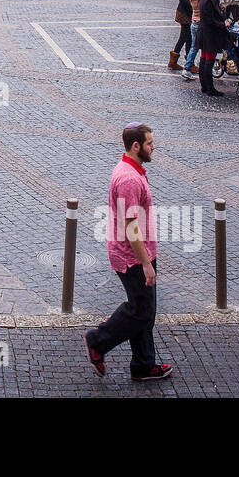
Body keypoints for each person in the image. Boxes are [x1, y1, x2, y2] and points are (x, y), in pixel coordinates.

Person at [85, 123, 173, 382]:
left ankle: (144, 364)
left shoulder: (132, 171)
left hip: (138, 253)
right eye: (149, 143)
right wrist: (146, 263)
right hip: (132, 257)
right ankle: (98, 341)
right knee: (140, 311)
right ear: (136, 146)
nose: (153, 147)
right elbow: (131, 225)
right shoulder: (128, 179)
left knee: (145, 310)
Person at [196, 0, 231, 96]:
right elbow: (211, 20)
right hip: (209, 35)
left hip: (203, 34)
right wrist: (223, 25)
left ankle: (204, 86)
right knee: (208, 61)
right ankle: (210, 88)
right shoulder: (209, 2)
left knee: (204, 59)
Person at [182, 0, 211, 80]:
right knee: (208, 45)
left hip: (194, 21)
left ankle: (187, 68)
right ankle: (206, 66)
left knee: (194, 46)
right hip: (203, 23)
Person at [169, 0, 192, 71]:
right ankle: (190, 64)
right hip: (184, 14)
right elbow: (183, 0)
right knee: (189, 39)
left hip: (186, 13)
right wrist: (193, 6)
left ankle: (173, 62)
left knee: (182, 38)